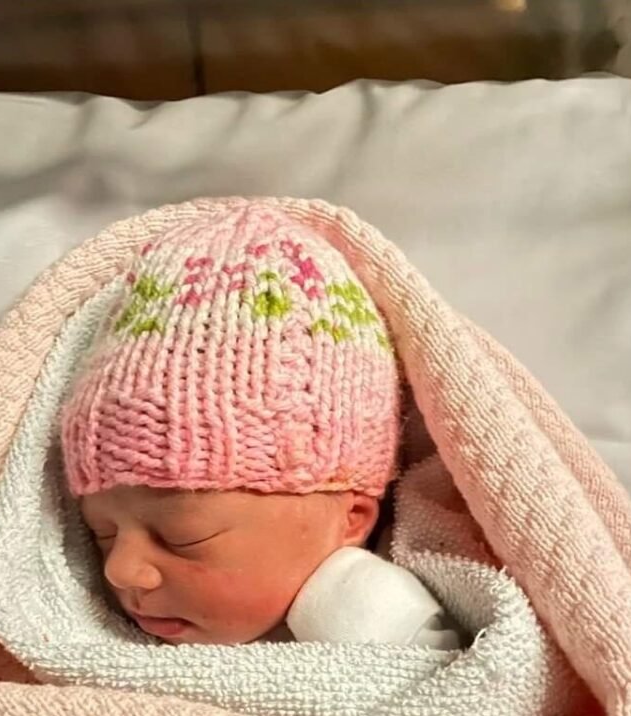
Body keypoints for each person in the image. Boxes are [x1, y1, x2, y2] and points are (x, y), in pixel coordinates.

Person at [61, 200, 459, 649]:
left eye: (183, 538)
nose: (121, 570)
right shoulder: (80, 632)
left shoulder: (386, 630)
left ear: (351, 520)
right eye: (103, 534)